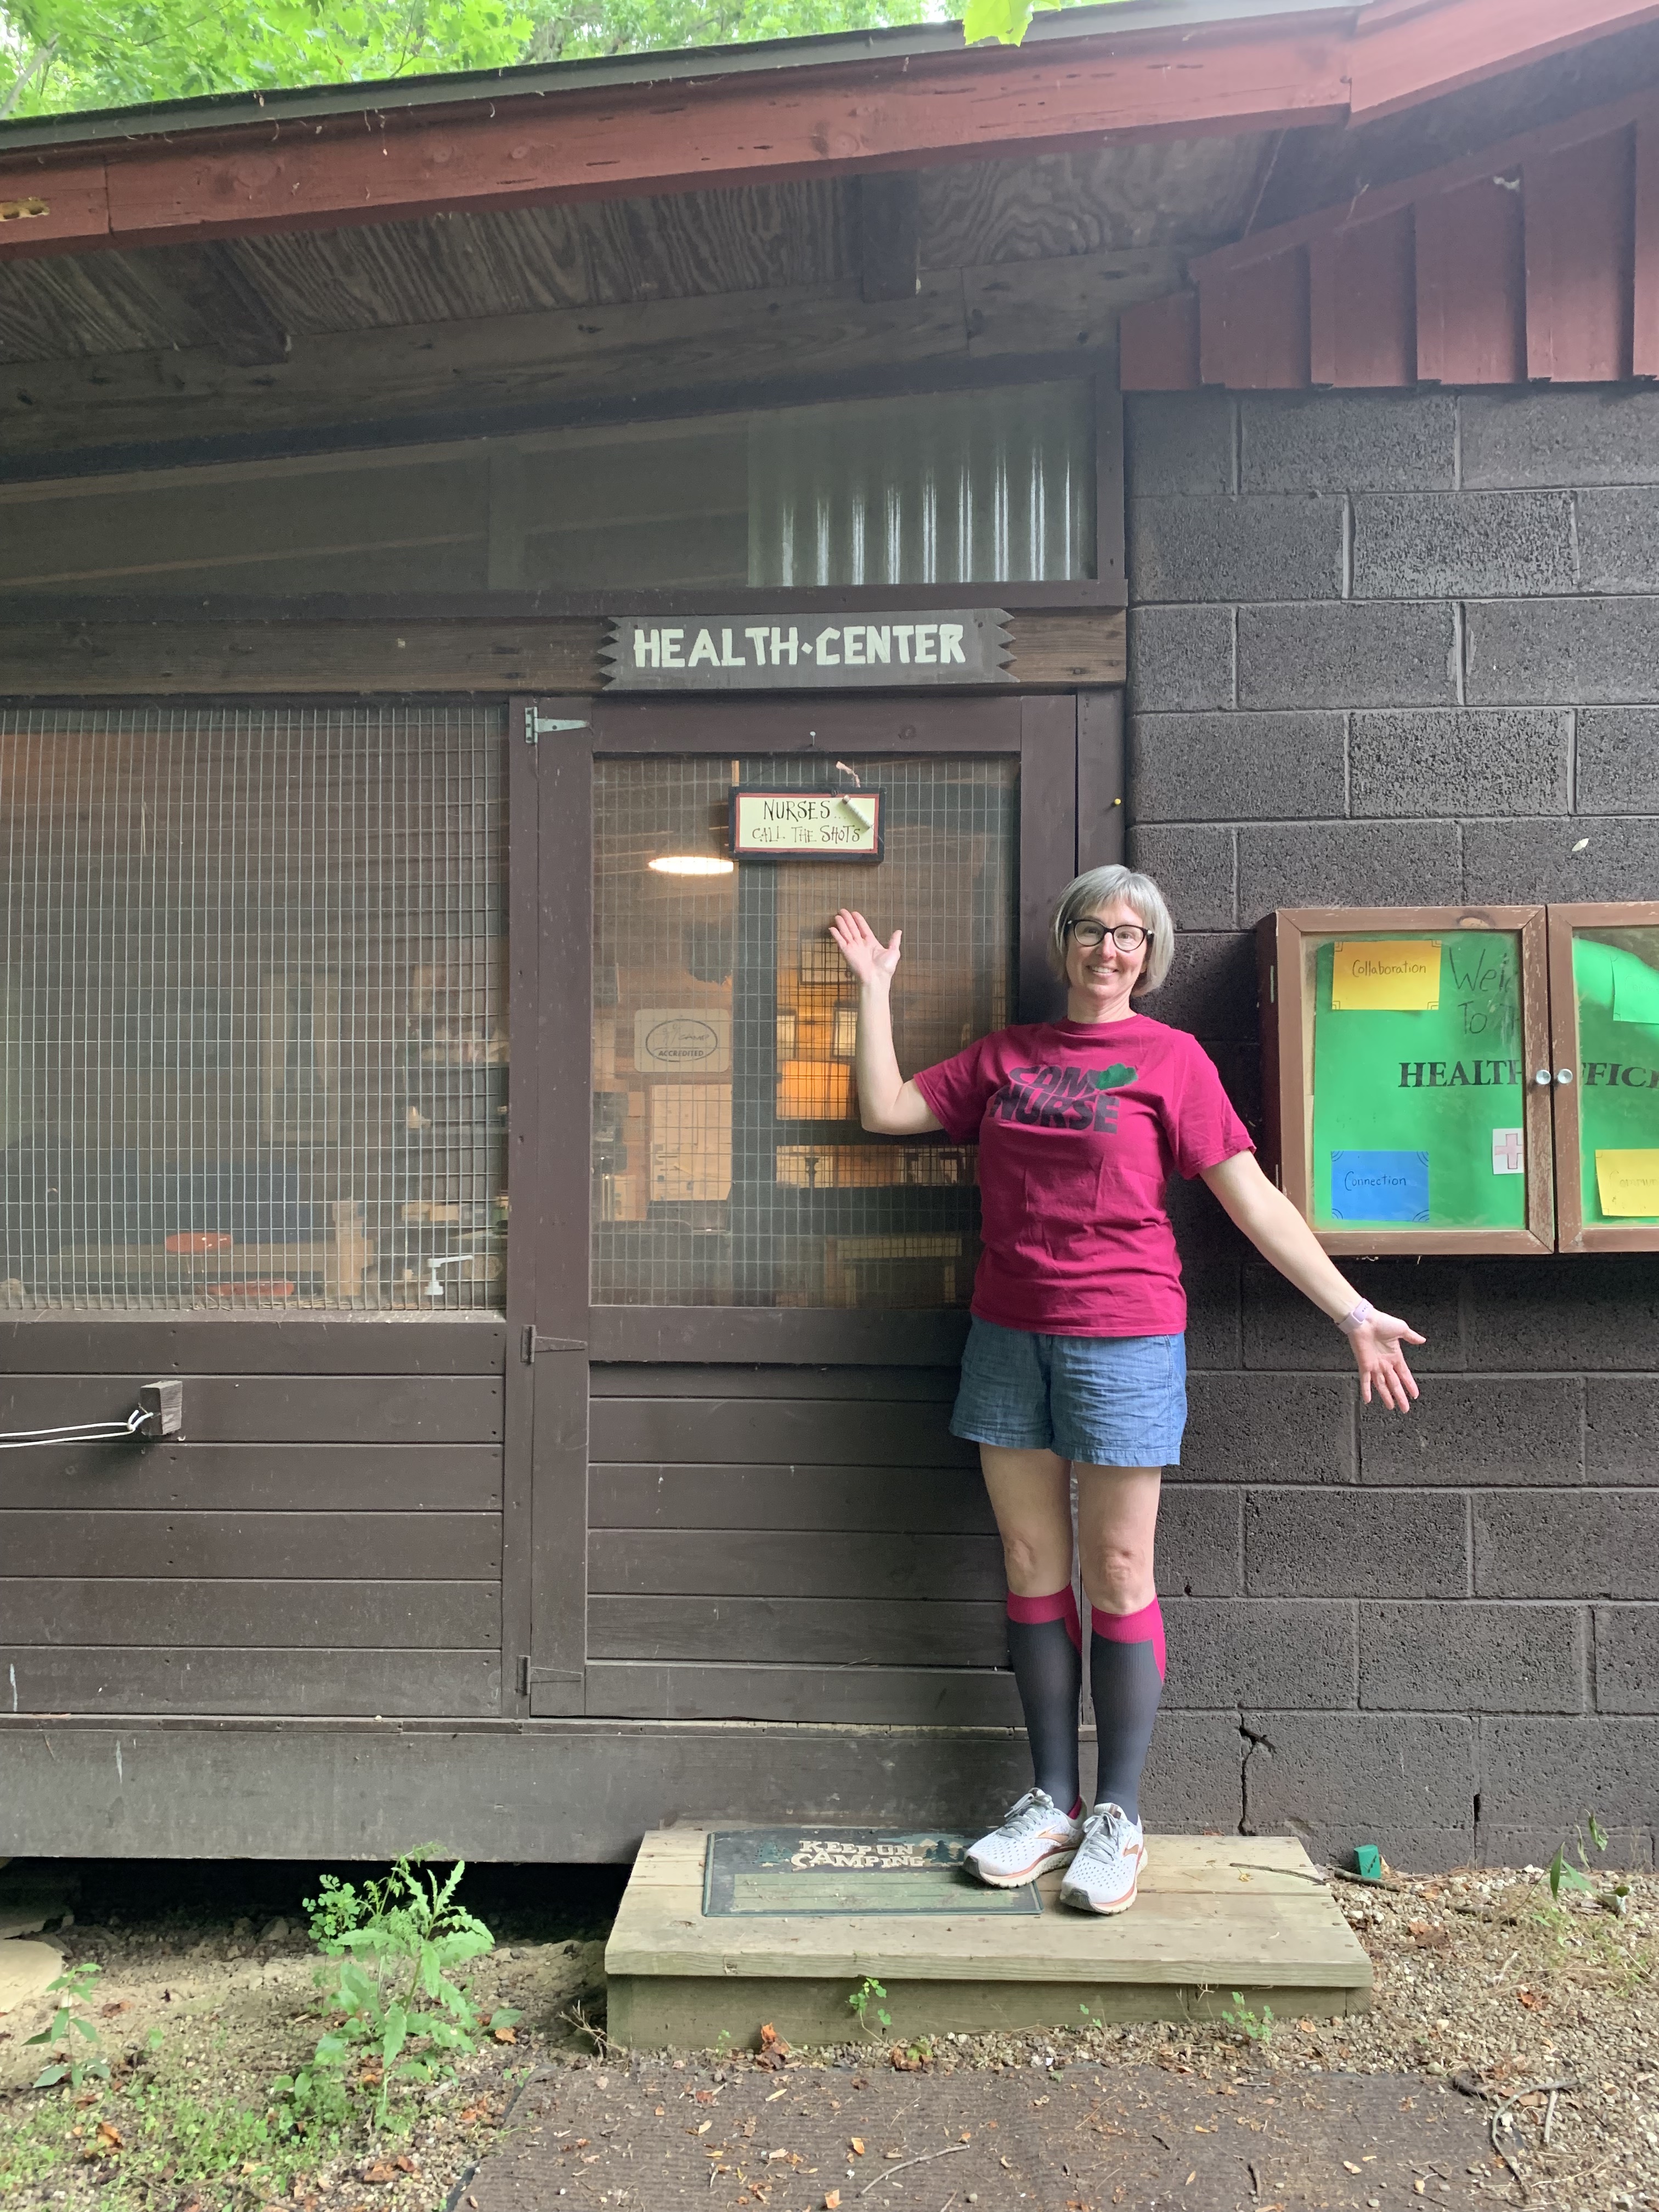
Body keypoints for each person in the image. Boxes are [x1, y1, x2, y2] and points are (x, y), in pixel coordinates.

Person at [828, 867, 1424, 1917]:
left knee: (1116, 1566)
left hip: (1126, 1338)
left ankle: (1118, 1815)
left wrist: (1353, 1311)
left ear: (1151, 956)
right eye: (1096, 929)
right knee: (1028, 1560)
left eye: (1133, 936)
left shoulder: (1172, 1061)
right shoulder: (1007, 1057)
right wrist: (874, 986)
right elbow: (884, 1109)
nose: (1112, 948)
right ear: (1065, 941)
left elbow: (1255, 1203)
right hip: (1008, 1336)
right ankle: (1050, 1802)